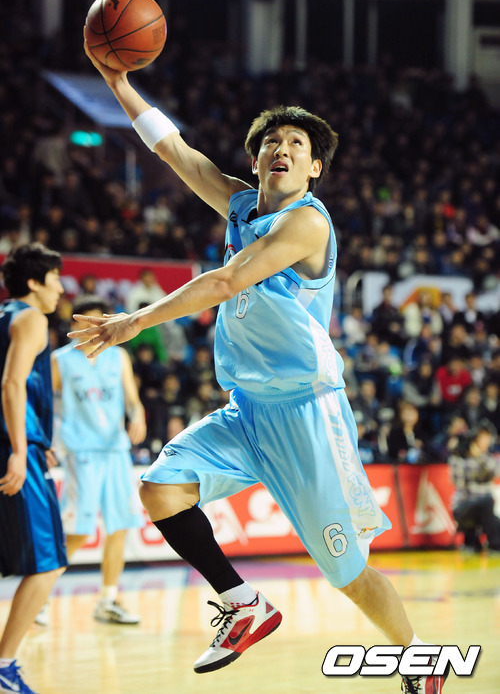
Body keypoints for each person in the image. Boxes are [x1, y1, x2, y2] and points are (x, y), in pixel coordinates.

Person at [72, 39, 450, 693]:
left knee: (347, 574)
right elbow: (175, 152)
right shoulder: (242, 204)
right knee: (161, 487)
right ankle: (243, 604)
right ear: (256, 160)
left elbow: (226, 281)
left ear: (314, 169)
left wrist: (135, 321)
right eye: (273, 141)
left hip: (307, 415)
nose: (283, 149)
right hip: (247, 410)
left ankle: (421, 658)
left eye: (297, 145)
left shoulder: (308, 226)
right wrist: (119, 84)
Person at [45, 294, 146, 625]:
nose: (93, 329)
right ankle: (39, 599)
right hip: (81, 452)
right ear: (74, 326)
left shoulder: (118, 357)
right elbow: (43, 405)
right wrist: (47, 443)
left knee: (119, 526)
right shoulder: (60, 360)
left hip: (115, 450)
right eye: (86, 323)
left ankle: (108, 600)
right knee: (77, 531)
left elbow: (133, 400)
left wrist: (137, 416)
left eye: (98, 323)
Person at [0, 243, 67, 694]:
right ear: (33, 283)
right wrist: (21, 450)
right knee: (48, 562)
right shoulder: (31, 318)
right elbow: (11, 384)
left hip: (20, 441)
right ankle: (4, 665)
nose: (60, 288)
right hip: (12, 446)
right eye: (55, 279)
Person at [448, 421, 500, 553]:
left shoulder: (486, 457)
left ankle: (472, 541)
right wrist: (459, 452)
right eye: (482, 437)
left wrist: (480, 456)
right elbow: (459, 483)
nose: (486, 441)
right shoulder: (459, 459)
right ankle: (494, 545)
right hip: (463, 507)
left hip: (484, 508)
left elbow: (496, 471)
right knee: (487, 501)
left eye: (487, 438)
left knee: (492, 513)